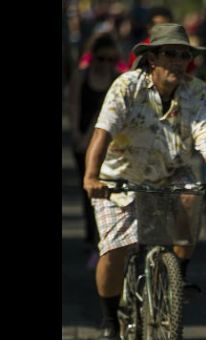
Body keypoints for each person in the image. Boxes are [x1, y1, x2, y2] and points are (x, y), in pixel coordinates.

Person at [82, 23, 206, 340]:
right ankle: (109, 322)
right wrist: (91, 176)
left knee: (191, 195)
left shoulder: (196, 92)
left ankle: (177, 277)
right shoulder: (127, 86)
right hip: (120, 177)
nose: (177, 62)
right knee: (116, 250)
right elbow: (103, 131)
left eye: (184, 56)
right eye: (170, 54)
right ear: (152, 58)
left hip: (170, 171)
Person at [69, 32, 123, 268]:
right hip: (83, 141)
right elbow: (73, 105)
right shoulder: (81, 76)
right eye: (101, 59)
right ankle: (93, 236)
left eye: (111, 60)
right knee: (88, 188)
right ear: (93, 58)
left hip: (107, 142)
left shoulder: (117, 79)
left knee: (107, 188)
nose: (106, 64)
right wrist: (76, 135)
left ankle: (102, 239)